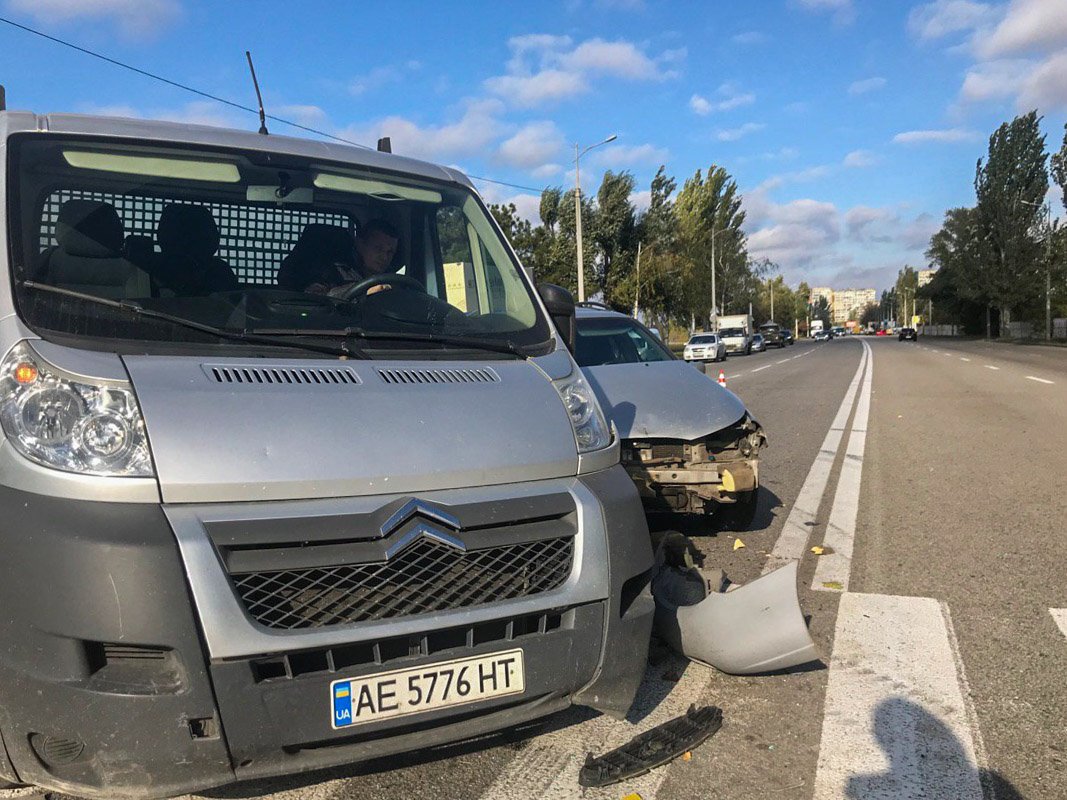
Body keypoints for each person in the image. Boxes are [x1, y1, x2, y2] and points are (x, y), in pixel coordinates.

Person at [303, 218, 400, 297]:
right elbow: (312, 298)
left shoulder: (394, 280)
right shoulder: (331, 272)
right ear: (360, 244)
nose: (384, 257)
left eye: (390, 252)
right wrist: (364, 291)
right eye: (378, 248)